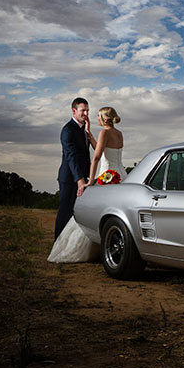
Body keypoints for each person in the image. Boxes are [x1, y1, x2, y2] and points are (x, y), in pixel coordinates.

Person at [48, 106, 127, 263]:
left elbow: (97, 157)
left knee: (90, 213)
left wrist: (90, 180)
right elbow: (104, 149)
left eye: (98, 116)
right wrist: (89, 133)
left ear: (104, 119)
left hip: (107, 176)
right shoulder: (119, 134)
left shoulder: (104, 133)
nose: (95, 118)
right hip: (121, 176)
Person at [54, 97, 92, 241]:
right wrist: (79, 179)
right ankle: (57, 245)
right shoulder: (67, 130)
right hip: (69, 179)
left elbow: (85, 155)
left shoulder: (84, 129)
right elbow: (71, 157)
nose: (86, 114)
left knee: (77, 214)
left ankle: (70, 242)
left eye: (88, 110)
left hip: (83, 177)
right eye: (83, 110)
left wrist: (88, 176)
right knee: (65, 213)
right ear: (74, 110)